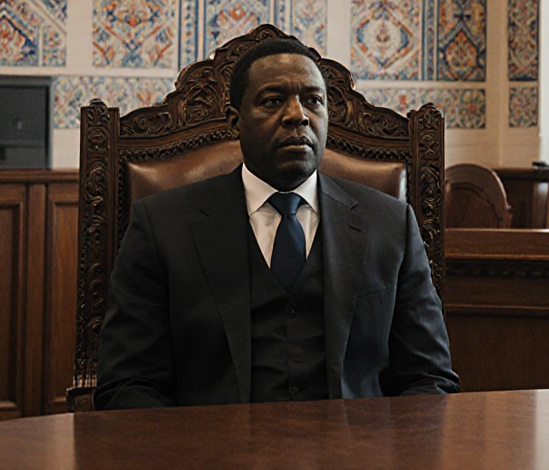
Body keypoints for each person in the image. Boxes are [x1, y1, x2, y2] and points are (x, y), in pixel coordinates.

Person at [96, 38, 458, 409]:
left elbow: (429, 377)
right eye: (272, 101)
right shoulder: (161, 226)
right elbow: (128, 383)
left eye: (313, 101)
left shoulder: (390, 224)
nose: (297, 115)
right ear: (235, 121)